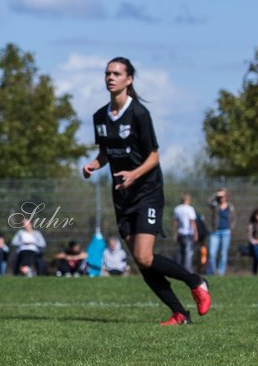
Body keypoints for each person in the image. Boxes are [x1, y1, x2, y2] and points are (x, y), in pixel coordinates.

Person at [82, 57, 210, 325]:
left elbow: (154, 156)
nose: (110, 77)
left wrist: (134, 174)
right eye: (107, 73)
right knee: (143, 262)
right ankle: (180, 313)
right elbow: (106, 153)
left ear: (129, 79)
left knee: (143, 255)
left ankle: (196, 281)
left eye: (116, 73)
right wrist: (94, 165)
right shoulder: (99, 117)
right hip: (121, 195)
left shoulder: (139, 113)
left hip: (147, 191)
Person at [207, 188, 232, 275]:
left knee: (223, 254)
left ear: (226, 197)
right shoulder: (215, 205)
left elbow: (234, 219)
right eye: (220, 196)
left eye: (223, 196)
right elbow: (208, 201)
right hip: (215, 232)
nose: (221, 198)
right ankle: (213, 272)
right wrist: (216, 194)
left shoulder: (230, 206)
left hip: (226, 232)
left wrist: (230, 228)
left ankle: (221, 273)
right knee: (212, 253)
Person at [173, 192, 198, 273]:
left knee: (180, 252)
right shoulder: (190, 209)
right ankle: (187, 270)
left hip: (180, 233)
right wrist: (196, 233)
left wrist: (175, 233)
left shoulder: (177, 209)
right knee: (188, 253)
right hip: (188, 233)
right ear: (188, 200)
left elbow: (175, 223)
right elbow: (192, 222)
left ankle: (178, 268)